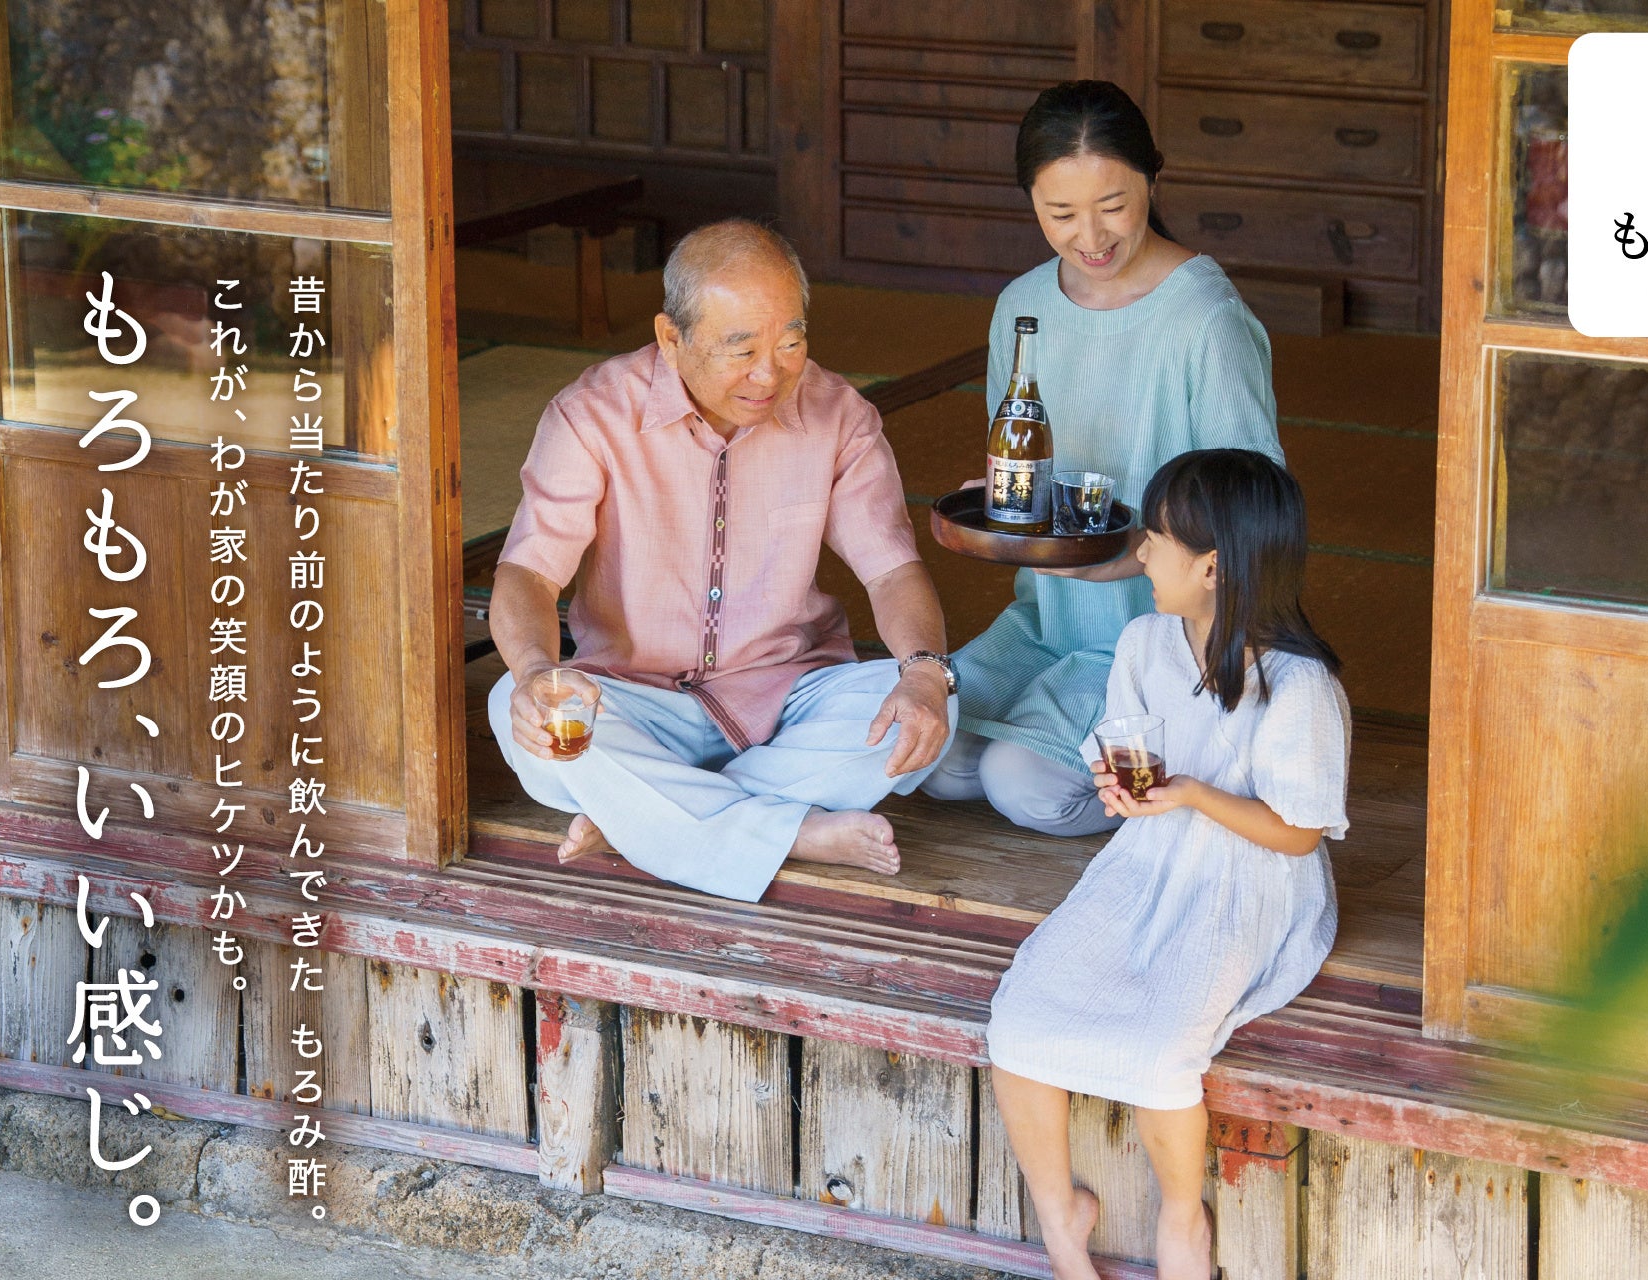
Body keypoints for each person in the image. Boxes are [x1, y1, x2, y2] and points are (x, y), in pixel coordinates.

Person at [486, 219, 958, 902]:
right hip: (632, 695)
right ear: (670, 338)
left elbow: (890, 569)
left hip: (786, 695)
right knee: (515, 709)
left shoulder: (839, 416)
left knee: (932, 705)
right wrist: (534, 671)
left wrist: (922, 675)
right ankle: (789, 832)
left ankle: (645, 820)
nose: (770, 373)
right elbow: (528, 571)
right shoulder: (590, 415)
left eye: (790, 343)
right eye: (742, 349)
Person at [985, 450, 1347, 1280]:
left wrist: (1188, 794)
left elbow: (1297, 835)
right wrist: (1121, 789)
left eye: (1156, 541)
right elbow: (1122, 744)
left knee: (1160, 1053)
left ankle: (1182, 1224)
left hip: (1250, 879)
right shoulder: (1147, 641)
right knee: (1021, 1018)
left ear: (1212, 566)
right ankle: (1058, 1212)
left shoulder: (1299, 686)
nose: (1142, 554)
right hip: (1148, 860)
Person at [924, 79, 1283, 837]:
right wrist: (998, 506)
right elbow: (1017, 463)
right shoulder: (1024, 306)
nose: (1090, 236)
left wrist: (1132, 556)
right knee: (927, 752)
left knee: (1020, 783)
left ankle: (1185, 774)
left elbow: (1254, 510)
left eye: (1114, 206)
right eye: (1060, 214)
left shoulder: (1204, 319)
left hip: (1160, 633)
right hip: (1049, 615)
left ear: (1153, 176)